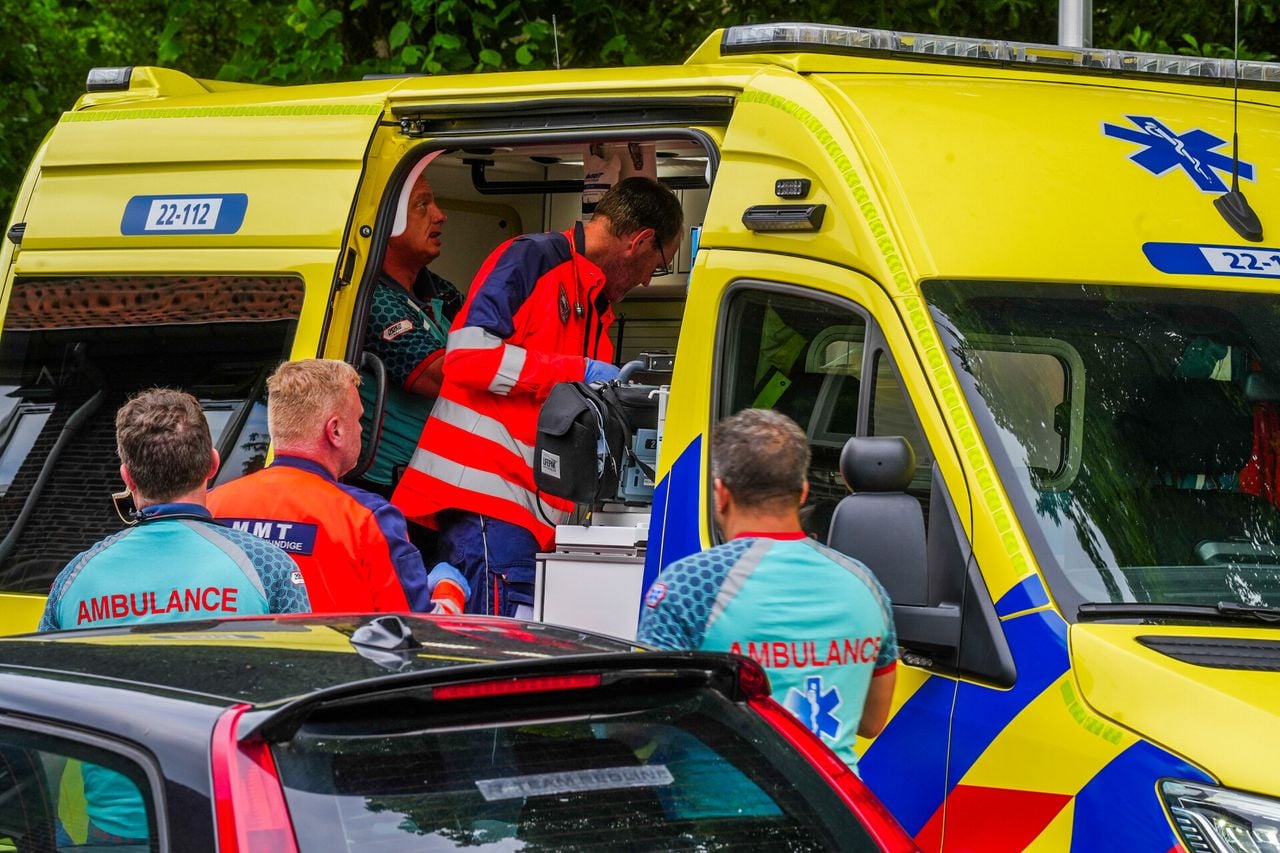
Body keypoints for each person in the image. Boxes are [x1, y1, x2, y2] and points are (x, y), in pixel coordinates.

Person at [392, 176, 684, 618]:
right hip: (487, 506)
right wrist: (576, 372)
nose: (647, 280)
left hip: (530, 520)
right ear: (640, 241)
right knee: (496, 663)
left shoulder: (594, 305)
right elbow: (467, 357)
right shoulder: (532, 260)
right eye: (657, 264)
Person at [38, 388, 310, 846]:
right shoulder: (268, 567)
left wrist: (48, 834)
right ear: (213, 465)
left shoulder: (74, 579)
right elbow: (301, 701)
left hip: (118, 832)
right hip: (234, 824)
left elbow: (42, 721)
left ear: (127, 476)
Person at [636, 408, 897, 772]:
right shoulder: (866, 586)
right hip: (833, 816)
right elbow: (871, 722)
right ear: (803, 492)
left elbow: (646, 723)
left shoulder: (690, 585)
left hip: (711, 816)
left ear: (721, 494)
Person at [208, 359, 467, 614]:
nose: (360, 429)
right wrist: (449, 587)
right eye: (358, 420)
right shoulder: (368, 519)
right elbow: (417, 629)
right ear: (336, 431)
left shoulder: (210, 506)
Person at [359, 170, 463, 493]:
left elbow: (496, 342)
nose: (440, 216)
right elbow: (443, 377)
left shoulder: (442, 292)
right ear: (389, 223)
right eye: (423, 205)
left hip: (436, 481)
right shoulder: (371, 299)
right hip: (387, 491)